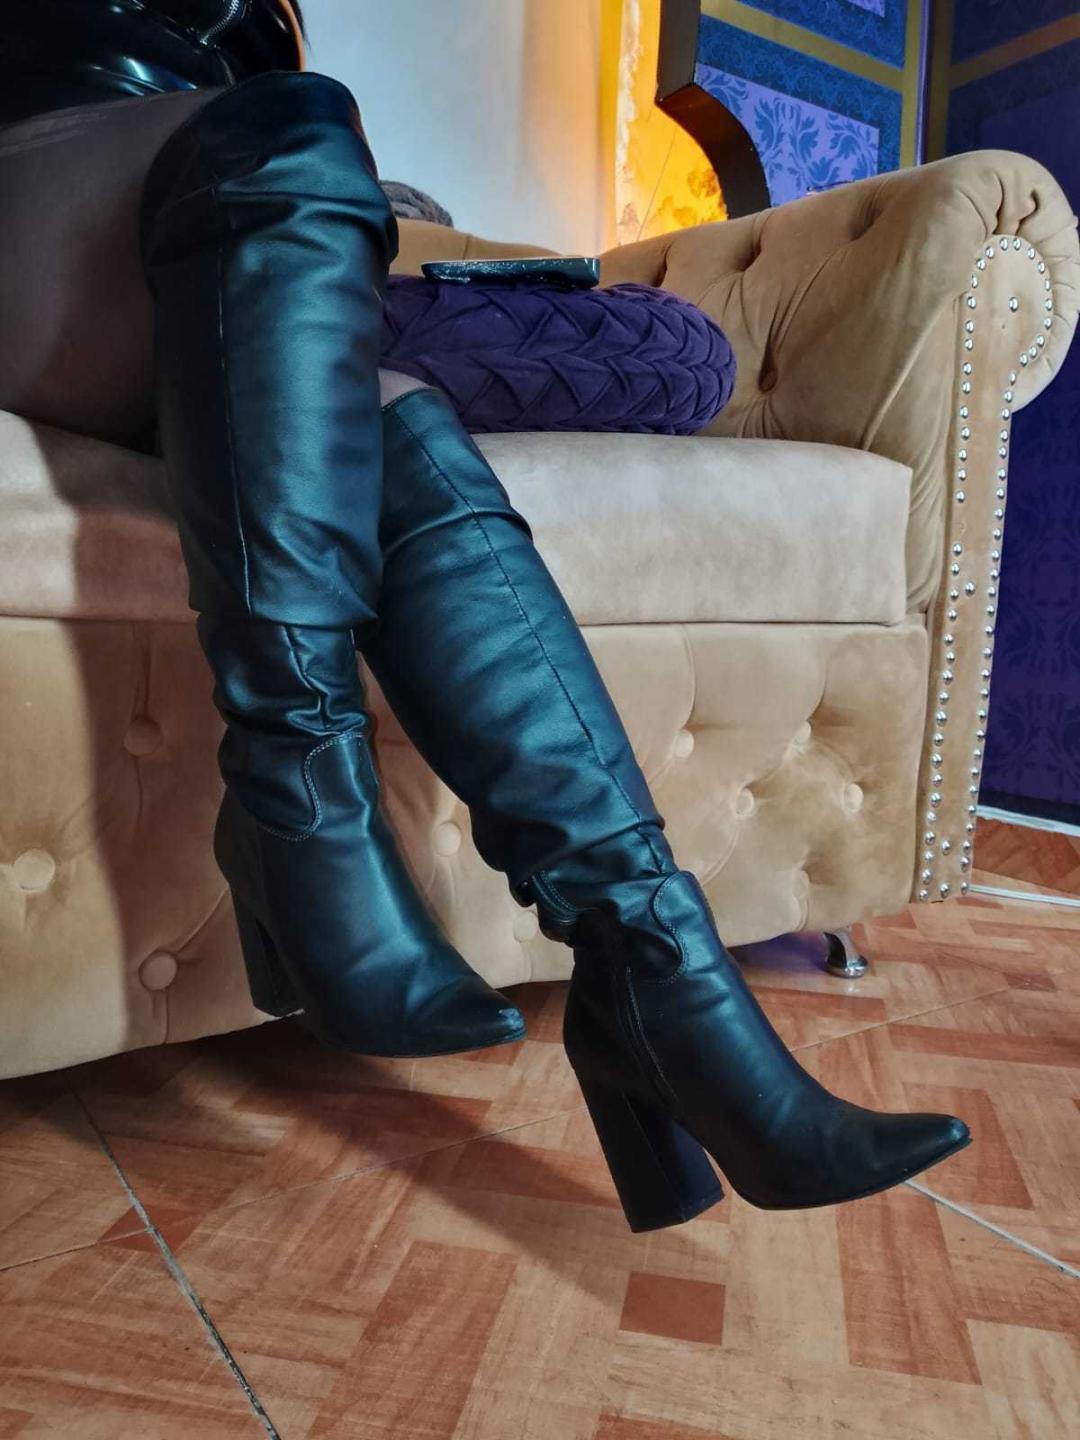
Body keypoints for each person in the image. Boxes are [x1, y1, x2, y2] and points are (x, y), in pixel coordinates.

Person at [0, 0, 970, 1232]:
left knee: (394, 417)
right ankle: (310, 816)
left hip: (200, 270)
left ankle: (652, 966)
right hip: (42, 225)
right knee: (291, 129)